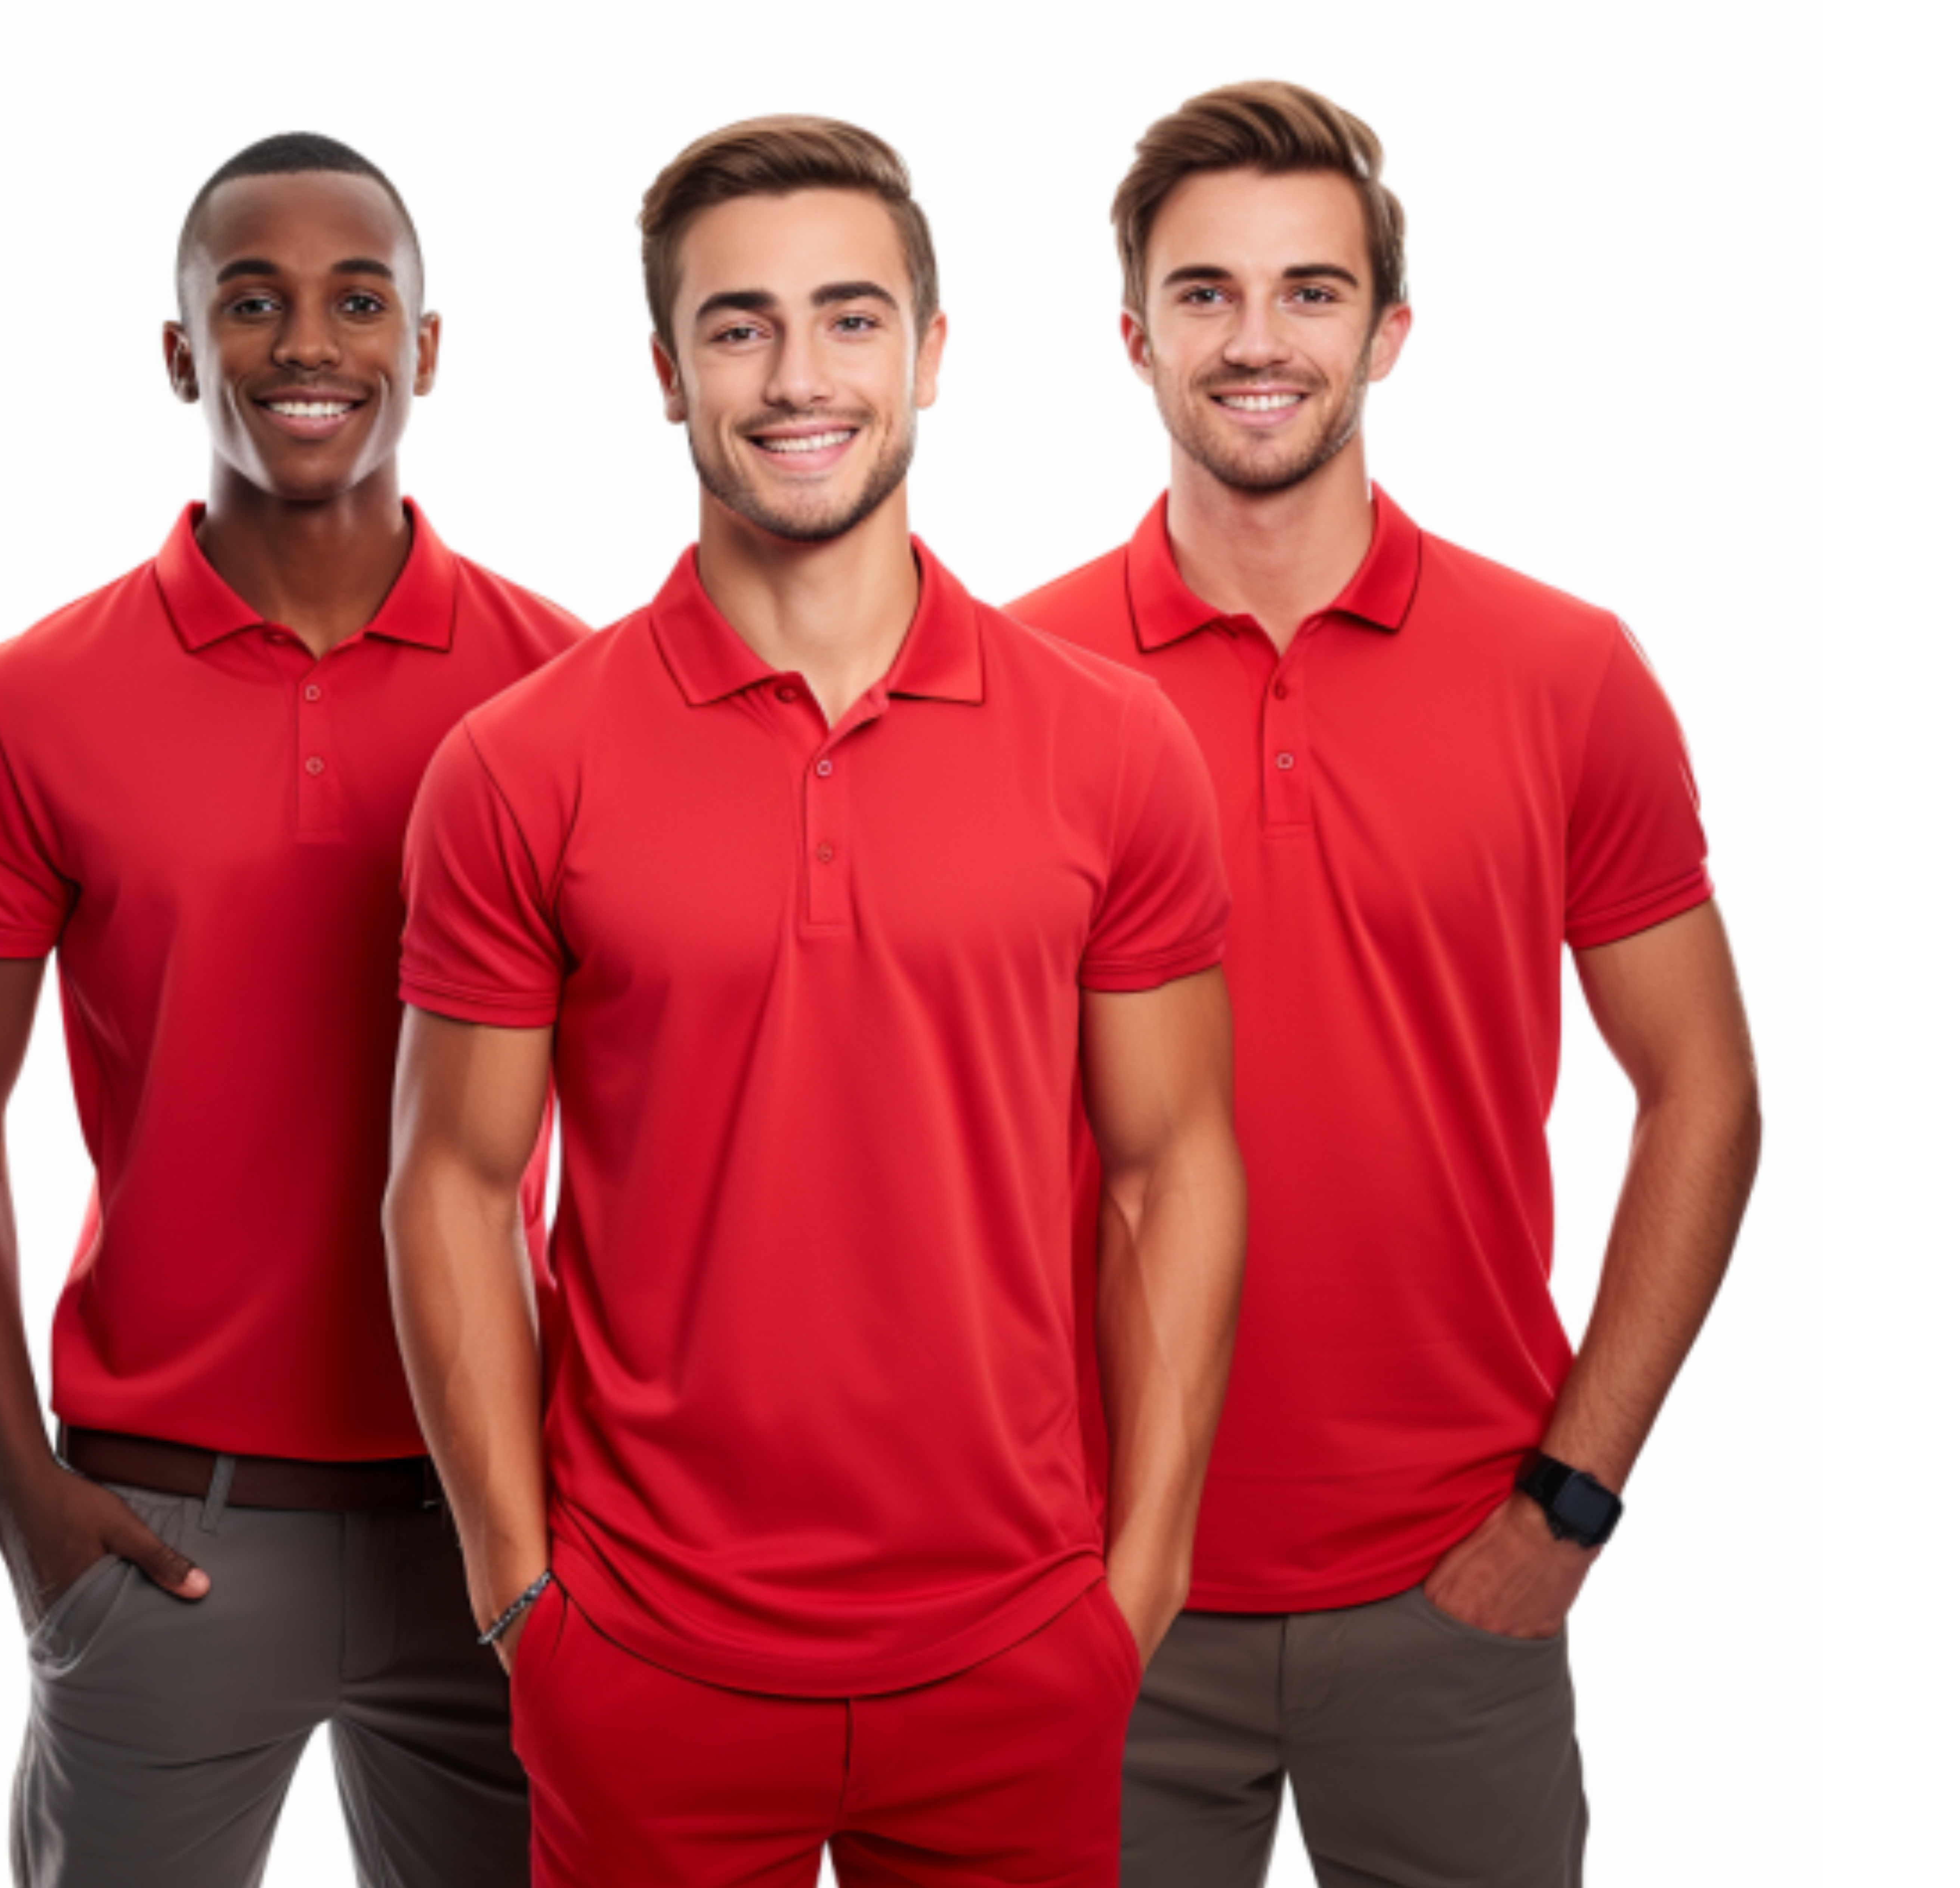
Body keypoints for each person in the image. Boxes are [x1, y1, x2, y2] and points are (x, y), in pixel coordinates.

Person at [386, 115, 1249, 1888]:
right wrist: (517, 1596)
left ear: (931, 356)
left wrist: (1134, 1587)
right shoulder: (515, 764)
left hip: (1016, 1656)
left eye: (853, 320)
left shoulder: (1113, 747)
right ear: (665, 370)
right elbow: (454, 1186)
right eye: (738, 326)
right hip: (643, 1662)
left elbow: (1175, 1166)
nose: (799, 376)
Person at [1007, 81, 1765, 1888]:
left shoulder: (1565, 672)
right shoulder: (1006, 681)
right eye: (1204, 293)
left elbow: (1705, 1092)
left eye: (1310, 291)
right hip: (1091, 1592)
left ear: (1388, 330)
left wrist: (1568, 1502)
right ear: (1132, 335)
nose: (1256, 340)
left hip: (1456, 1596)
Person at [0, 132, 582, 1888]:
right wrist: (20, 1506)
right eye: (251, 301)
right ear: (184, 350)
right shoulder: (30, 704)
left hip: (497, 1513)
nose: (307, 345)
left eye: (360, 300)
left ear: (428, 346)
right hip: (165, 1525)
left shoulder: (569, 689)